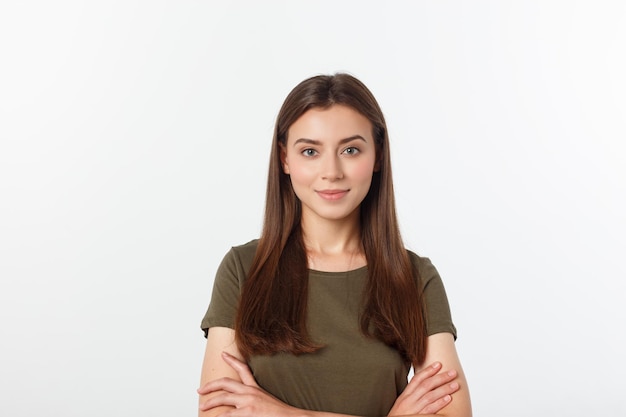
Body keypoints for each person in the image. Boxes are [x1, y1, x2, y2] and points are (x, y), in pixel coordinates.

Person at [197, 73, 472, 417]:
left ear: (378, 157)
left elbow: (453, 413)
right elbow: (219, 413)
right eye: (310, 151)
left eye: (351, 150)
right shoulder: (243, 269)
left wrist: (283, 414)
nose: (331, 171)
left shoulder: (414, 278)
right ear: (285, 159)